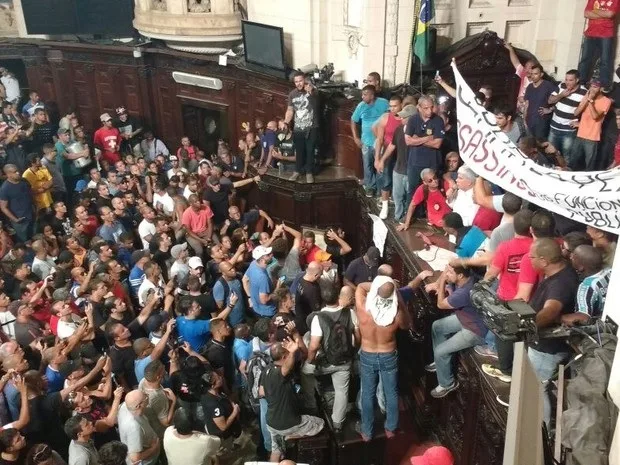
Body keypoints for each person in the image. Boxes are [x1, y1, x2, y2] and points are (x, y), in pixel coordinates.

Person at [355, 276, 410, 441]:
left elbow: (359, 286)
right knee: (391, 393)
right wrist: (396, 294)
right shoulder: (396, 314)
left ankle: (367, 432)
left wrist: (381, 285)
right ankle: (391, 428)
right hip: (388, 355)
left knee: (367, 394)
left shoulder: (363, 309)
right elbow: (407, 325)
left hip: (367, 354)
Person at [303, 285, 359, 432]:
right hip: (345, 361)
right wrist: (354, 350)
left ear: (323, 299)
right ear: (338, 297)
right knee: (342, 391)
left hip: (325, 363)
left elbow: (314, 346)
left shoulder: (318, 318)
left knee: (305, 374)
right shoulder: (350, 312)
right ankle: (337, 424)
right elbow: (357, 336)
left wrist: (309, 362)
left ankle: (312, 405)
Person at [424, 265, 486, 398]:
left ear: (460, 276)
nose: (447, 275)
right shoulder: (467, 279)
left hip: (474, 330)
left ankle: (447, 384)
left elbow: (440, 304)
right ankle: (439, 362)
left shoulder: (464, 292)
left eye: (450, 273)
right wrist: (446, 279)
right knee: (437, 326)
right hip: (465, 318)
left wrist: (440, 284)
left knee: (441, 351)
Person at [260, 338, 324, 462]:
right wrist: (292, 352)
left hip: (272, 422)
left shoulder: (267, 370)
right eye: (287, 355)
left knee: (276, 450)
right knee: (320, 423)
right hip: (287, 423)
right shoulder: (278, 374)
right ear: (284, 357)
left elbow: (261, 392)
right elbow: (286, 368)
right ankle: (291, 436)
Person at [351, 85, 390, 197]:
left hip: (380, 141)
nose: (362, 97)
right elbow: (353, 121)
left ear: (372, 95)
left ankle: (380, 189)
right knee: (367, 166)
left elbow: (390, 116)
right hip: (366, 142)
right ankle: (370, 187)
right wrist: (355, 137)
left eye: (365, 94)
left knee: (379, 166)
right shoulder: (361, 106)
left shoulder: (383, 103)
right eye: (362, 94)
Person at [404, 95, 444, 197]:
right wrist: (427, 138)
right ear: (419, 108)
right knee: (412, 191)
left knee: (431, 192)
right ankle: (411, 212)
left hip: (432, 163)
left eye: (431, 107)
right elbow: (408, 141)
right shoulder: (413, 119)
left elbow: (437, 144)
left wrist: (417, 139)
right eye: (426, 108)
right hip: (414, 163)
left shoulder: (438, 120)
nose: (430, 111)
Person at [563, 244, 610, 325]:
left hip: (602, 326)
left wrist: (556, 318)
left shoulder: (587, 286)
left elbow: (583, 318)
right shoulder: (610, 271)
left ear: (581, 267)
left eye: (574, 257)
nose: (570, 257)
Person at [285, 72, 319, 183]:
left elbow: (317, 104)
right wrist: (286, 121)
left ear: (304, 80)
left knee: (310, 151)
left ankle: (309, 172)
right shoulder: (292, 94)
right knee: (299, 151)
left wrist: (311, 92)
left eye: (300, 81)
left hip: (311, 127)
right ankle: (297, 171)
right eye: (296, 81)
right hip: (298, 128)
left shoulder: (313, 91)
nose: (299, 83)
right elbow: (290, 110)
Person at [571, 79, 612, 170]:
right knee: (573, 160)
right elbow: (576, 113)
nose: (592, 89)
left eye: (595, 87)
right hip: (580, 134)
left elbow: (595, 116)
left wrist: (590, 101)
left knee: (589, 164)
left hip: (592, 137)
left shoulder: (606, 101)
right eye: (591, 86)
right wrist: (586, 100)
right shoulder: (587, 96)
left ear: (601, 89)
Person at [578, 0, 619, 90]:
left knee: (605, 61)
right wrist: (603, 13)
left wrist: (595, 10)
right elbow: (586, 14)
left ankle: (604, 85)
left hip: (606, 34)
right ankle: (581, 82)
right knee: (585, 59)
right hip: (590, 33)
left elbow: (610, 14)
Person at [373, 95, 403, 218]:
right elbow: (379, 140)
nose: (392, 109)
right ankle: (384, 207)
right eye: (390, 106)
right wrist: (377, 158)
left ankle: (399, 206)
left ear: (401, 105)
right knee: (386, 178)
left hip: (402, 152)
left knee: (400, 181)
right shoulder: (385, 118)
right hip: (387, 151)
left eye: (395, 106)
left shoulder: (405, 119)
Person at [547, 70, 587, 161]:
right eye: (566, 79)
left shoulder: (584, 92)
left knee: (567, 156)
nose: (567, 82)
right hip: (554, 127)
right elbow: (550, 101)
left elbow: (587, 112)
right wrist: (561, 95)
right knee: (550, 153)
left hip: (569, 131)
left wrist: (580, 123)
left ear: (577, 80)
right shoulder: (561, 86)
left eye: (570, 80)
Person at [118, 390, 161, 465]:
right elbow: (135, 458)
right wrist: (153, 449)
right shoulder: (134, 427)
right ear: (138, 406)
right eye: (145, 398)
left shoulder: (125, 405)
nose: (147, 396)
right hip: (148, 462)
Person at [0, 164, 34, 242]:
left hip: (31, 215)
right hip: (20, 220)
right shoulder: (5, 188)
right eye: (15, 172)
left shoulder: (24, 181)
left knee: (34, 238)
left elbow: (30, 194)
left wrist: (34, 207)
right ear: (8, 174)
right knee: (24, 242)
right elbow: (3, 207)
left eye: (18, 170)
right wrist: (15, 219)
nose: (18, 173)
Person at [523, 64, 556, 139]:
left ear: (541, 74)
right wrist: (524, 119)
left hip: (542, 123)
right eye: (531, 74)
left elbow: (559, 100)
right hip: (529, 121)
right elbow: (527, 104)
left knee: (540, 144)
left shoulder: (548, 85)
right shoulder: (530, 87)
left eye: (536, 74)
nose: (533, 76)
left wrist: (550, 110)